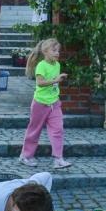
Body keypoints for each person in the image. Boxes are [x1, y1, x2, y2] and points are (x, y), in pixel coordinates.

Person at [20, 38, 71, 170]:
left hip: (54, 103)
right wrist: (56, 80)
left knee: (58, 130)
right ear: (45, 52)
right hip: (40, 103)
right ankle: (26, 156)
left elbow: (54, 82)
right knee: (34, 130)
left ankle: (58, 159)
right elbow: (40, 83)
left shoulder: (57, 65)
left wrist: (58, 79)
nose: (57, 53)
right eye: (54, 50)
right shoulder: (41, 65)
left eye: (58, 50)